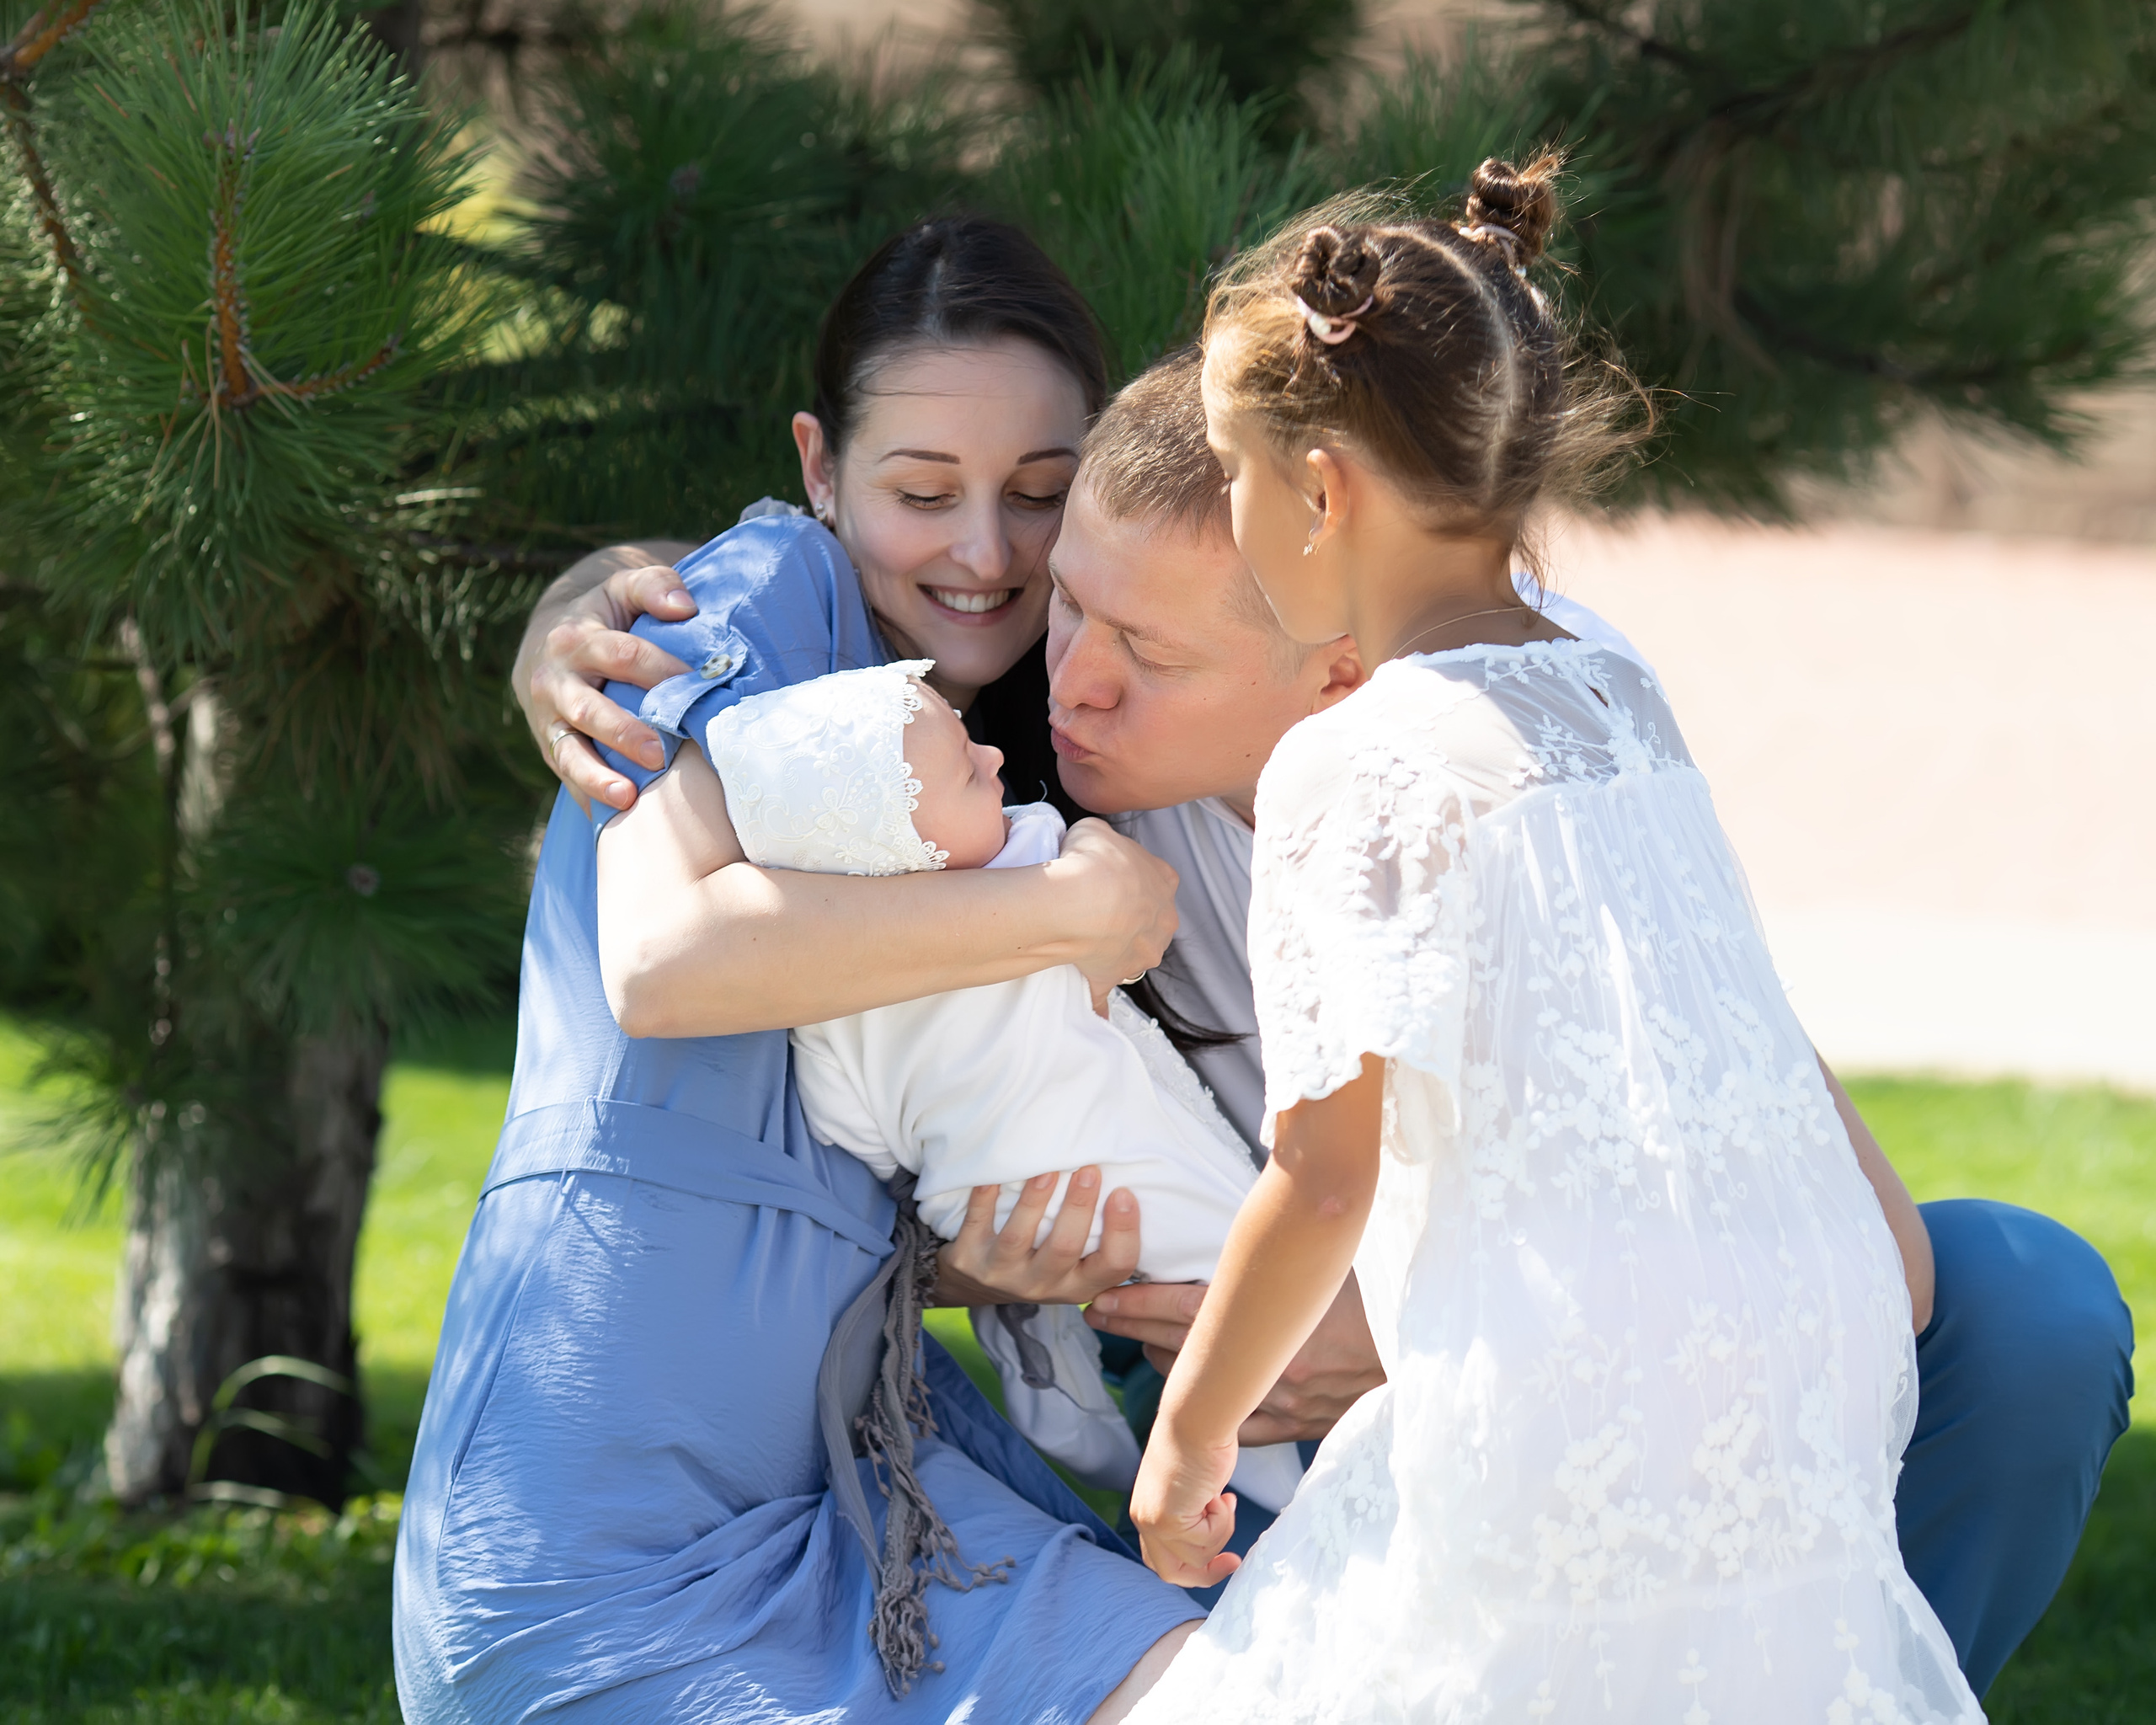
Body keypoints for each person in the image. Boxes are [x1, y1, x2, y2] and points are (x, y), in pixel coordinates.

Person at [516, 264, 2134, 1712]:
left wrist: (1411, 1325)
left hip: (1499, 1354)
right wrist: (581, 600)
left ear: (1323, 633)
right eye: (1064, 595)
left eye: (1137, 642)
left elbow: (1846, 1220)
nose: (1047, 647)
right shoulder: (1006, 768)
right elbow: (759, 736)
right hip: (1190, 1413)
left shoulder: (1494, 736)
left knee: (2028, 1305)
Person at [1120, 160, 1985, 1720]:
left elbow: (1326, 1173)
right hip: (1803, 1355)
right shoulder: (1614, 698)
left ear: (1325, 492)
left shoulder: (1352, 761)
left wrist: (1192, 1428)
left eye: (1237, 477)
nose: (1236, 518)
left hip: (1560, 1385)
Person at [392, 216, 1210, 1725]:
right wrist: (1070, 913)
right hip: (601, 1544)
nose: (985, 551)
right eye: (920, 491)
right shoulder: (766, 591)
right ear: (821, 469)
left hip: (846, 1488)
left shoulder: (1005, 759)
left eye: (1040, 495)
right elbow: (664, 963)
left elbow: (810, 1174)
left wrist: (973, 1267)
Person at [699, 658, 1303, 1506]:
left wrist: (916, 1161)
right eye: (962, 767)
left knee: (1057, 1312)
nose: (991, 759)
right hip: (1118, 1159)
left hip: (975, 1195)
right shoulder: (1024, 855)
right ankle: (1248, 1476)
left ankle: (1081, 1411)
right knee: (1226, 1259)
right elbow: (1088, 856)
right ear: (896, 841)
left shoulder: (830, 996)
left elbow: (851, 1120)